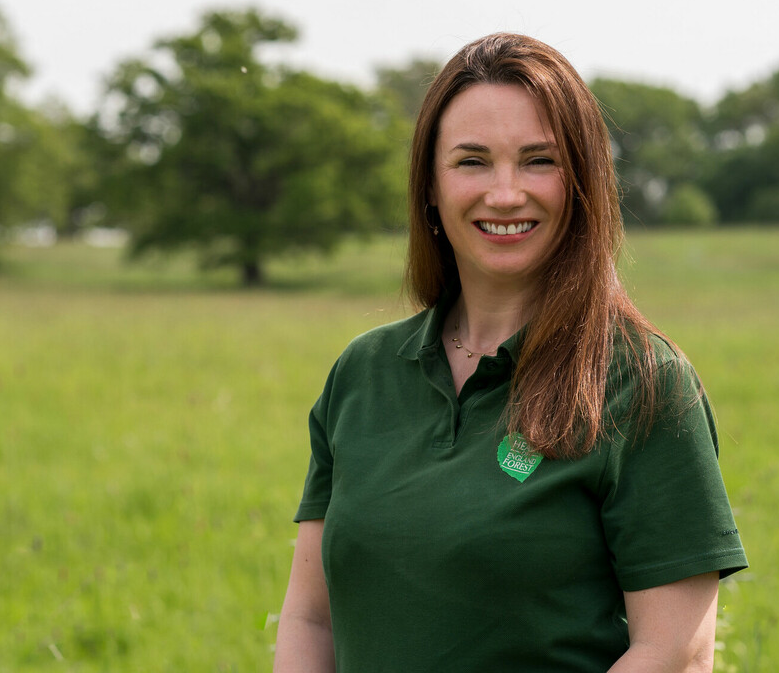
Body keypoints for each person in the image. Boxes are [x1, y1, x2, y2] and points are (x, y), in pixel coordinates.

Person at [273, 33, 747, 672]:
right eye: (472, 162)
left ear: (580, 183)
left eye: (538, 161)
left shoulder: (644, 383)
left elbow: (675, 653)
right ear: (431, 189)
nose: (504, 194)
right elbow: (310, 618)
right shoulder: (362, 374)